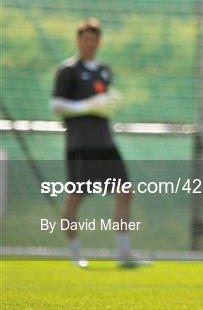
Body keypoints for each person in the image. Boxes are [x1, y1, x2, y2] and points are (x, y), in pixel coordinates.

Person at [50, 18, 139, 268]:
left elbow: (105, 100)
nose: (89, 44)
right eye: (85, 39)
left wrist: (110, 101)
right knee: (75, 197)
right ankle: (76, 253)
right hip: (80, 143)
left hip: (105, 142)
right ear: (78, 41)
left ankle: (124, 254)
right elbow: (56, 105)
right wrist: (86, 106)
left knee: (125, 191)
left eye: (93, 40)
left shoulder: (104, 70)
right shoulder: (68, 70)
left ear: (99, 42)